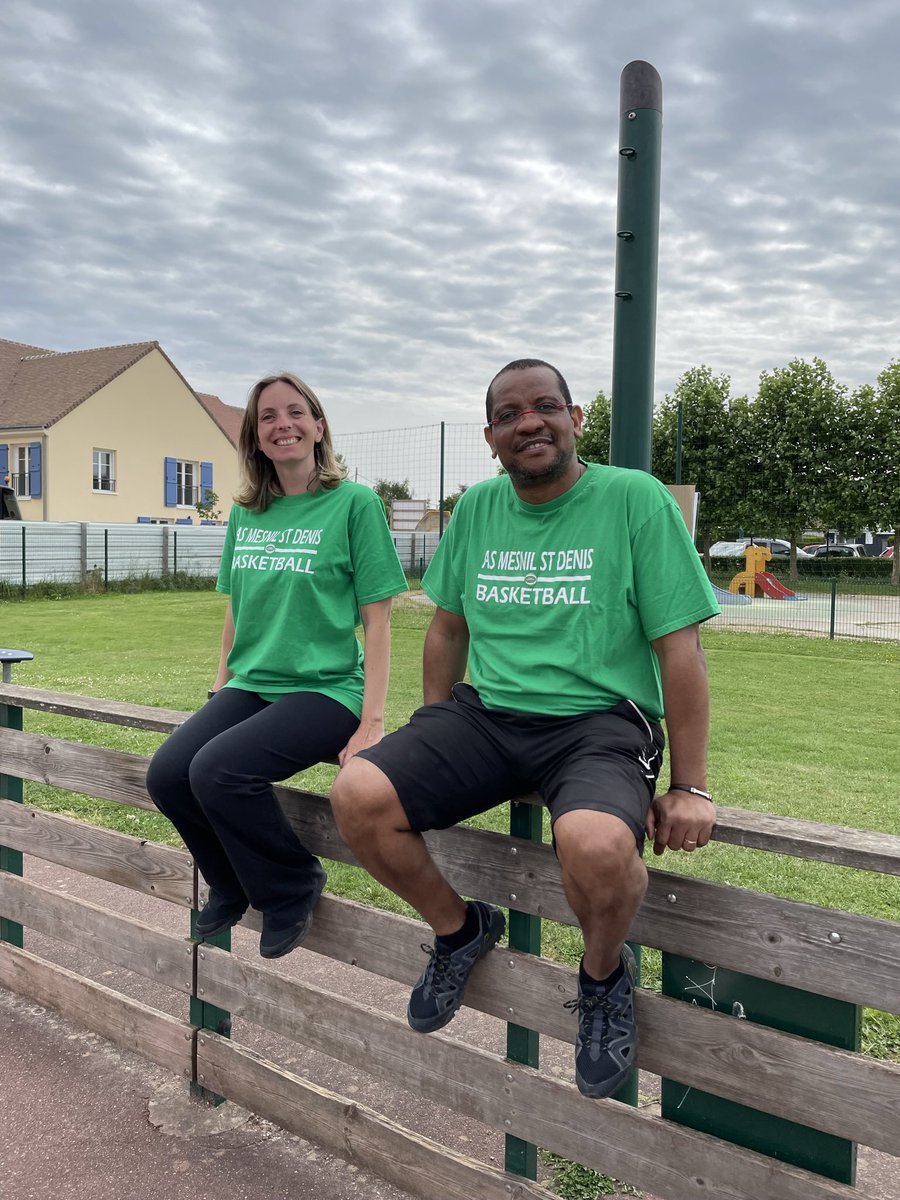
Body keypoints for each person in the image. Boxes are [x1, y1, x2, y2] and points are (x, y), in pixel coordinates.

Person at [330, 358, 720, 1098]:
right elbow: (446, 629)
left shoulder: (633, 499)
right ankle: (459, 930)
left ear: (575, 420)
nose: (528, 422)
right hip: (488, 716)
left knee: (598, 844)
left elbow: (680, 648)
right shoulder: (478, 507)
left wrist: (691, 786)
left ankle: (602, 975)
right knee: (358, 795)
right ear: (491, 436)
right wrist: (436, 724)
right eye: (509, 414)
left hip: (600, 721)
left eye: (545, 406)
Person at [146, 372, 408, 959]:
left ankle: (291, 883)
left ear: (318, 426)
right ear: (255, 437)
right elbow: (237, 608)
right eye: (268, 417)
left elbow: (379, 621)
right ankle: (231, 882)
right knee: (168, 773)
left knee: (218, 771)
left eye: (295, 412)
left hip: (328, 690)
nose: (282, 424)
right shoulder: (246, 513)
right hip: (254, 683)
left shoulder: (355, 505)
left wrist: (371, 721)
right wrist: (221, 683)